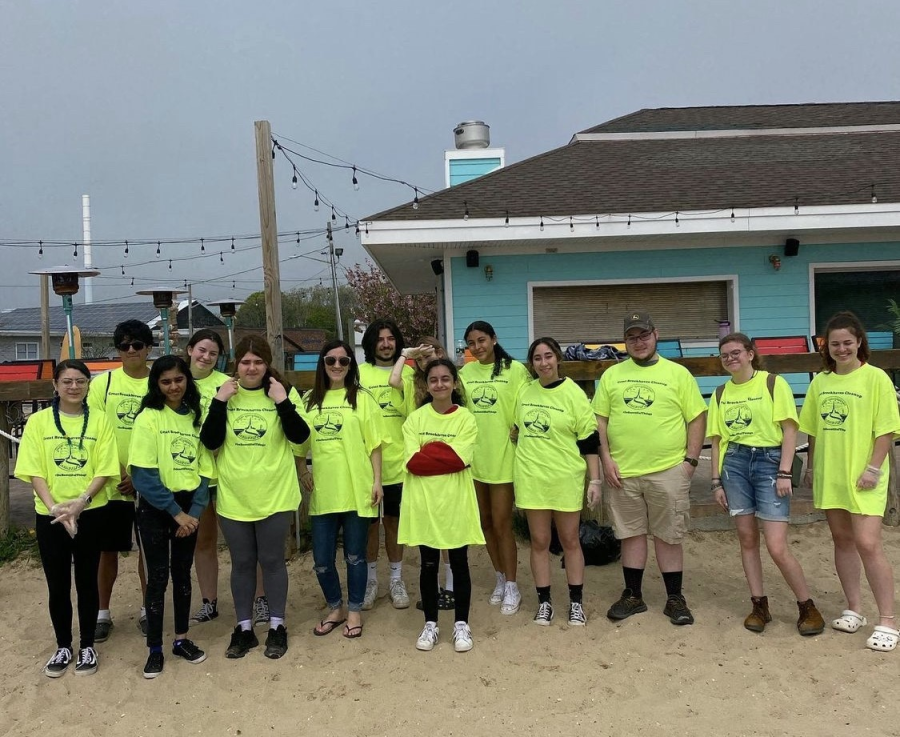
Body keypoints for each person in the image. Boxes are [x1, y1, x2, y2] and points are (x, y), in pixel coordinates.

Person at [593, 311, 707, 626]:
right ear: (625, 341)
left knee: (669, 535)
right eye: (632, 336)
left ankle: (674, 598)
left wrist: (690, 461)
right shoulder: (613, 376)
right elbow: (599, 420)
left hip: (668, 469)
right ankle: (633, 595)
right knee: (630, 534)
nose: (639, 341)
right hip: (623, 470)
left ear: (656, 334)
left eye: (644, 335)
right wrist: (606, 458)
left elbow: (697, 416)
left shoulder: (678, 374)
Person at [200, 336, 310, 659]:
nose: (252, 368)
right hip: (235, 496)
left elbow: (301, 437)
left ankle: (277, 625)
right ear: (236, 364)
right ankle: (244, 627)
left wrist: (282, 402)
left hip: (275, 493)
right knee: (243, 563)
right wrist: (219, 402)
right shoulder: (225, 396)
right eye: (246, 362)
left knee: (273, 560)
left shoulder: (281, 392)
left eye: (258, 362)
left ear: (267, 364)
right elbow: (209, 441)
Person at [709, 333, 824, 635]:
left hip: (769, 462)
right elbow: (718, 440)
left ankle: (806, 605)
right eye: (725, 355)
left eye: (736, 352)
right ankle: (759, 604)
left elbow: (789, 430)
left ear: (750, 354)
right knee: (747, 539)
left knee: (776, 545)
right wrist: (716, 481)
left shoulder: (773, 383)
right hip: (734, 463)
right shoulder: (720, 393)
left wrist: (785, 471)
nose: (731, 358)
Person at [799, 311, 900, 652]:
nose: (842, 349)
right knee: (842, 541)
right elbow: (811, 430)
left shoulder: (876, 379)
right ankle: (854, 607)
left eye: (848, 343)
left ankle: (887, 620)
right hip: (831, 474)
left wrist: (873, 468)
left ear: (859, 342)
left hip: (864, 477)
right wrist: (811, 468)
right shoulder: (820, 382)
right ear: (827, 348)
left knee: (868, 543)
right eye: (835, 344)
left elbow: (886, 429)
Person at [15, 359, 118, 677]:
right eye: (67, 381)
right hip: (51, 516)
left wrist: (80, 504)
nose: (74, 387)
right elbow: (33, 469)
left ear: (89, 385)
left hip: (91, 511)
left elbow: (105, 467)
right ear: (56, 385)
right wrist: (55, 508)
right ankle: (63, 645)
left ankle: (87, 645)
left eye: (81, 381)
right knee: (57, 583)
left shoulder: (100, 421)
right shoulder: (39, 422)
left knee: (87, 580)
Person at [129, 356, 213, 678]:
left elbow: (204, 470)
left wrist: (193, 512)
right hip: (157, 507)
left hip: (188, 507)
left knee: (182, 574)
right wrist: (175, 513)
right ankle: (154, 648)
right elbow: (143, 475)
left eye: (179, 380)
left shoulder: (195, 417)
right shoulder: (148, 418)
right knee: (158, 577)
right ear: (157, 385)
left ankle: (181, 639)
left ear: (187, 381)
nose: (174, 387)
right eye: (166, 382)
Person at [514, 338, 601, 627]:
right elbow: (516, 429)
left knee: (569, 540)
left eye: (548, 356)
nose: (543, 363)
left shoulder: (573, 394)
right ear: (532, 363)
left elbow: (589, 439)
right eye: (537, 358)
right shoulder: (524, 392)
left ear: (558, 358)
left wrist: (595, 480)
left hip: (565, 476)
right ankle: (544, 602)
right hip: (532, 476)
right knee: (539, 541)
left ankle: (576, 603)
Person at [186, 329, 270, 627]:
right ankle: (209, 601)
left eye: (213, 353)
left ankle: (260, 599)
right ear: (190, 349)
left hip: (224, 473)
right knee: (204, 540)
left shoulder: (228, 384)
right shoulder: (177, 382)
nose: (206, 357)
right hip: (190, 475)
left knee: (246, 544)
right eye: (202, 350)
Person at [300, 340, 383, 640]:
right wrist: (301, 470)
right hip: (324, 491)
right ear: (322, 364)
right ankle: (335, 608)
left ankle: (355, 610)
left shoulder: (362, 398)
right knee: (322, 560)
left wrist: (377, 481)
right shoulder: (309, 400)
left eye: (343, 361)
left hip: (357, 489)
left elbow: (374, 445)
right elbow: (298, 442)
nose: (337, 366)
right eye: (330, 360)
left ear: (351, 365)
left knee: (355, 556)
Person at [400, 358, 484, 652]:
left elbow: (461, 459)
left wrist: (430, 452)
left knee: (459, 563)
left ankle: (462, 624)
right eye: (433, 379)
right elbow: (412, 462)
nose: (439, 384)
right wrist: (442, 454)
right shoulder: (415, 420)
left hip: (455, 502)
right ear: (426, 384)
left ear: (455, 382)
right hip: (424, 503)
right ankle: (431, 624)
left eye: (445, 379)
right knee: (428, 564)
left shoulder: (466, 419)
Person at [459, 321, 531, 614]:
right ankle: (500, 578)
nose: (477, 347)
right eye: (472, 343)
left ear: (493, 339)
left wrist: (519, 428)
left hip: (503, 457)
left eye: (482, 340)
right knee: (485, 523)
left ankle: (513, 585)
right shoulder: (465, 373)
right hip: (474, 459)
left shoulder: (515, 371)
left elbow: (527, 405)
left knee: (502, 523)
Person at [88, 319, 152, 642]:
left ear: (148, 348)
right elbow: (96, 431)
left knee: (148, 551)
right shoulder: (104, 384)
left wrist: (141, 476)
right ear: (117, 349)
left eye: (137, 345)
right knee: (106, 551)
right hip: (111, 483)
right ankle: (102, 613)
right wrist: (119, 472)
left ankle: (147, 609)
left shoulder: (159, 382)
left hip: (149, 483)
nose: (131, 351)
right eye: (124, 345)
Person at [390, 336, 457, 610]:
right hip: (421, 457)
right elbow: (393, 381)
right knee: (428, 530)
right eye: (422, 355)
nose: (427, 358)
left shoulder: (448, 381)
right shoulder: (413, 383)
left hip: (446, 462)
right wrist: (407, 354)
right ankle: (435, 588)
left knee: (448, 530)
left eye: (433, 351)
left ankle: (452, 586)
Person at [358, 319, 411, 610]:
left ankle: (395, 579)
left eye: (391, 338)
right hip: (365, 466)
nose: (386, 344)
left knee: (393, 523)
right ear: (371, 343)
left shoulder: (408, 372)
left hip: (399, 464)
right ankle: (370, 581)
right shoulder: (359, 374)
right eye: (380, 339)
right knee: (368, 526)